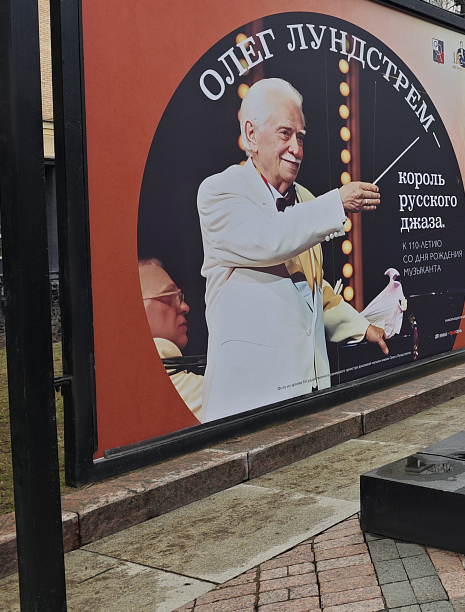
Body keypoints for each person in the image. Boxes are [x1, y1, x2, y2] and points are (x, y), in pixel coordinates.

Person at [197, 78, 388, 422]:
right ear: (251, 135)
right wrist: (337, 202)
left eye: (300, 137)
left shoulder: (307, 201)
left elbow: (311, 291)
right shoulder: (219, 193)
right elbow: (271, 238)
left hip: (309, 399)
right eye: (285, 134)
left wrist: (362, 328)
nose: (296, 149)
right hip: (247, 405)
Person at [139, 258, 203, 420]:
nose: (184, 307)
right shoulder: (202, 394)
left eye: (180, 297)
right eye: (170, 296)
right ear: (134, 308)